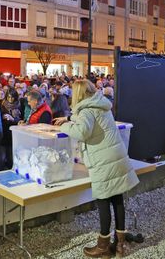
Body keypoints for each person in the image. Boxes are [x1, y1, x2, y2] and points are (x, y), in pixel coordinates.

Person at [54, 80, 139, 258]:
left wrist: (64, 125)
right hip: (115, 156)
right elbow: (89, 120)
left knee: (103, 201)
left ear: (77, 94)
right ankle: (120, 245)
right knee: (117, 200)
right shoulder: (100, 105)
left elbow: (82, 132)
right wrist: (69, 118)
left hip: (103, 161)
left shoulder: (85, 110)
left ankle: (103, 247)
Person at [0, 88, 21, 168]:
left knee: (11, 157)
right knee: (1, 157)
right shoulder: (1, 103)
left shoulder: (19, 104)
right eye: (8, 97)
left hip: (14, 133)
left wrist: (13, 119)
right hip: (3, 132)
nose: (10, 99)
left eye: (12, 97)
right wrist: (3, 116)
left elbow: (21, 121)